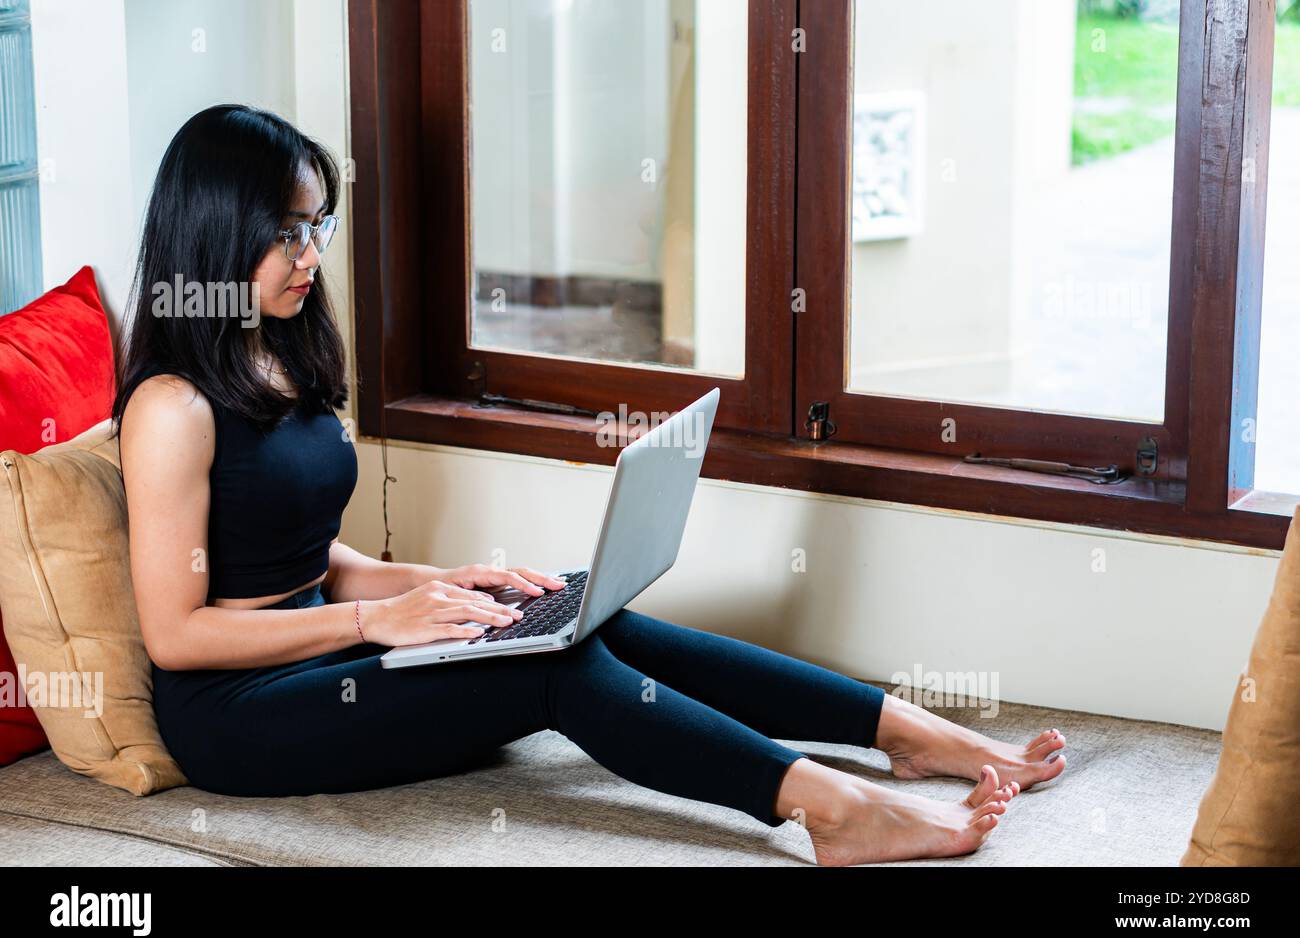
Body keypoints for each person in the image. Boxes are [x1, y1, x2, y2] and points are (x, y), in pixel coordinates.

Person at [112, 105, 1066, 867]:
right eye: (287, 231)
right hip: (239, 715)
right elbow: (178, 633)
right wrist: (373, 625)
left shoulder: (276, 351)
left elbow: (307, 554)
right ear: (216, 228)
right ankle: (835, 808)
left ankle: (902, 732)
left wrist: (445, 587)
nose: (312, 253)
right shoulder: (170, 406)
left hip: (321, 659)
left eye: (317, 224)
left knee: (572, 608)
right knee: (551, 667)